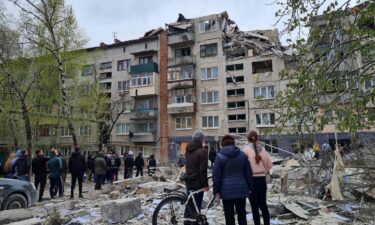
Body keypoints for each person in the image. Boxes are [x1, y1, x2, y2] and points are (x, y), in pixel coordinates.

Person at [213, 134, 253, 225]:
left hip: (226, 191)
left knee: (229, 216)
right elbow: (248, 172)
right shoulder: (242, 155)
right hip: (241, 189)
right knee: (242, 214)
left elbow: (216, 176)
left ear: (222, 145)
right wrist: (250, 187)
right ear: (234, 143)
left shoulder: (219, 157)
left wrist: (216, 191)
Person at [242, 130, 272, 225]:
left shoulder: (245, 150)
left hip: (251, 181)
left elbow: (243, 166)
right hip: (262, 180)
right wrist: (263, 171)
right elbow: (269, 165)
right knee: (263, 205)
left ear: (248, 139)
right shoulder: (263, 150)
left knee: (254, 207)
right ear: (257, 138)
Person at [184, 130, 208, 225]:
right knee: (196, 206)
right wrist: (205, 185)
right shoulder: (203, 151)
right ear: (201, 140)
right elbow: (203, 171)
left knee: (189, 204)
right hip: (197, 183)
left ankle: (187, 222)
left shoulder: (188, 150)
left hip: (189, 180)